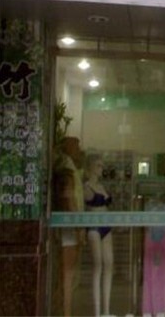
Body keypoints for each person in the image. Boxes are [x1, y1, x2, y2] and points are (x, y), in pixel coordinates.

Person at [53, 136, 85, 317]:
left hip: (68, 228)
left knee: (67, 276)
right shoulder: (67, 171)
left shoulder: (69, 169)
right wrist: (78, 227)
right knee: (68, 275)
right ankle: (66, 313)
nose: (79, 150)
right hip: (69, 229)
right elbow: (70, 199)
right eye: (76, 146)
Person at [83, 154, 114, 317]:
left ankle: (106, 311)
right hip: (94, 226)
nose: (102, 169)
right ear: (92, 167)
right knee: (98, 266)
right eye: (99, 166)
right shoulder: (86, 187)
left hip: (106, 226)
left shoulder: (101, 186)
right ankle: (96, 312)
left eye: (102, 165)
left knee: (109, 265)